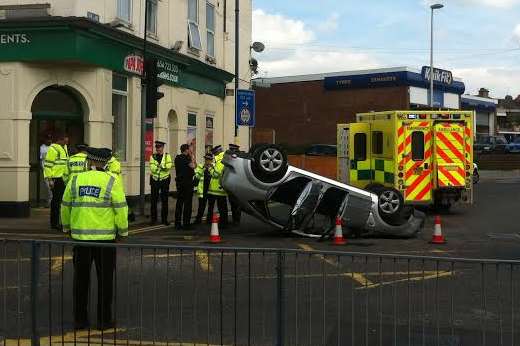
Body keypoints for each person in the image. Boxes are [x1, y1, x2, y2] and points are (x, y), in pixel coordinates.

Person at [61, 147, 128, 331]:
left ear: (90, 161)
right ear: (105, 162)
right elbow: (121, 208)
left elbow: (65, 205)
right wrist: (122, 232)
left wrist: (66, 227)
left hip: (80, 238)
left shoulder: (76, 179)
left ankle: (80, 320)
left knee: (80, 281)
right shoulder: (111, 181)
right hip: (105, 240)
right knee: (105, 280)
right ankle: (104, 320)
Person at [43, 132, 69, 230]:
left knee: (61, 202)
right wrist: (50, 180)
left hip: (63, 178)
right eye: (65, 140)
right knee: (56, 202)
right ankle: (54, 224)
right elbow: (48, 165)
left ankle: (60, 222)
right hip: (56, 178)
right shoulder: (53, 149)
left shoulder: (64, 148)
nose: (67, 142)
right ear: (60, 140)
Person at [149, 141, 173, 225]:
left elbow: (168, 167)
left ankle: (164, 220)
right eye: (157, 148)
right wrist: (163, 167)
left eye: (159, 147)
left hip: (165, 180)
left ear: (163, 148)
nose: (158, 149)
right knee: (153, 201)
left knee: (164, 200)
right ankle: (153, 220)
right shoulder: (152, 156)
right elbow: (152, 168)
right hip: (155, 180)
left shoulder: (167, 156)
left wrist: (160, 166)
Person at [174, 144, 195, 230]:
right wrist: (192, 156)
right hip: (187, 183)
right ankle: (186, 224)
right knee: (187, 204)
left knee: (179, 203)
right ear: (186, 150)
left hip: (179, 183)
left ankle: (177, 223)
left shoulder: (177, 158)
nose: (191, 150)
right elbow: (193, 166)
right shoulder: (186, 158)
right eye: (190, 149)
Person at [207, 145, 228, 227]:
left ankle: (223, 223)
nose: (213, 155)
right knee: (222, 207)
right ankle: (224, 222)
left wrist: (210, 169)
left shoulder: (219, 159)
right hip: (220, 188)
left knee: (222, 207)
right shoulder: (224, 157)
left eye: (214, 153)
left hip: (218, 188)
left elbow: (216, 173)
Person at [194, 153, 213, 224]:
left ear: (211, 160)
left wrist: (210, 168)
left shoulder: (214, 167)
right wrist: (203, 169)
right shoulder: (200, 166)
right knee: (201, 206)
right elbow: (196, 176)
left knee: (211, 206)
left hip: (211, 190)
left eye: (209, 160)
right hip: (203, 190)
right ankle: (198, 219)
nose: (207, 161)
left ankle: (209, 220)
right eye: (206, 159)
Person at [228, 143, 242, 225]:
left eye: (232, 150)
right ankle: (235, 219)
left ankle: (237, 219)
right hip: (232, 184)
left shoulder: (239, 158)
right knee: (233, 202)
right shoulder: (232, 158)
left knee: (237, 203)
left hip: (237, 184)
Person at [40, 134, 53, 207]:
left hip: (54, 170)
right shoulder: (42, 148)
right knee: (48, 187)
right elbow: (40, 159)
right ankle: (49, 202)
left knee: (51, 187)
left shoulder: (53, 147)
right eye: (47, 139)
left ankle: (50, 202)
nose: (49, 140)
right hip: (45, 170)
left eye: (50, 139)